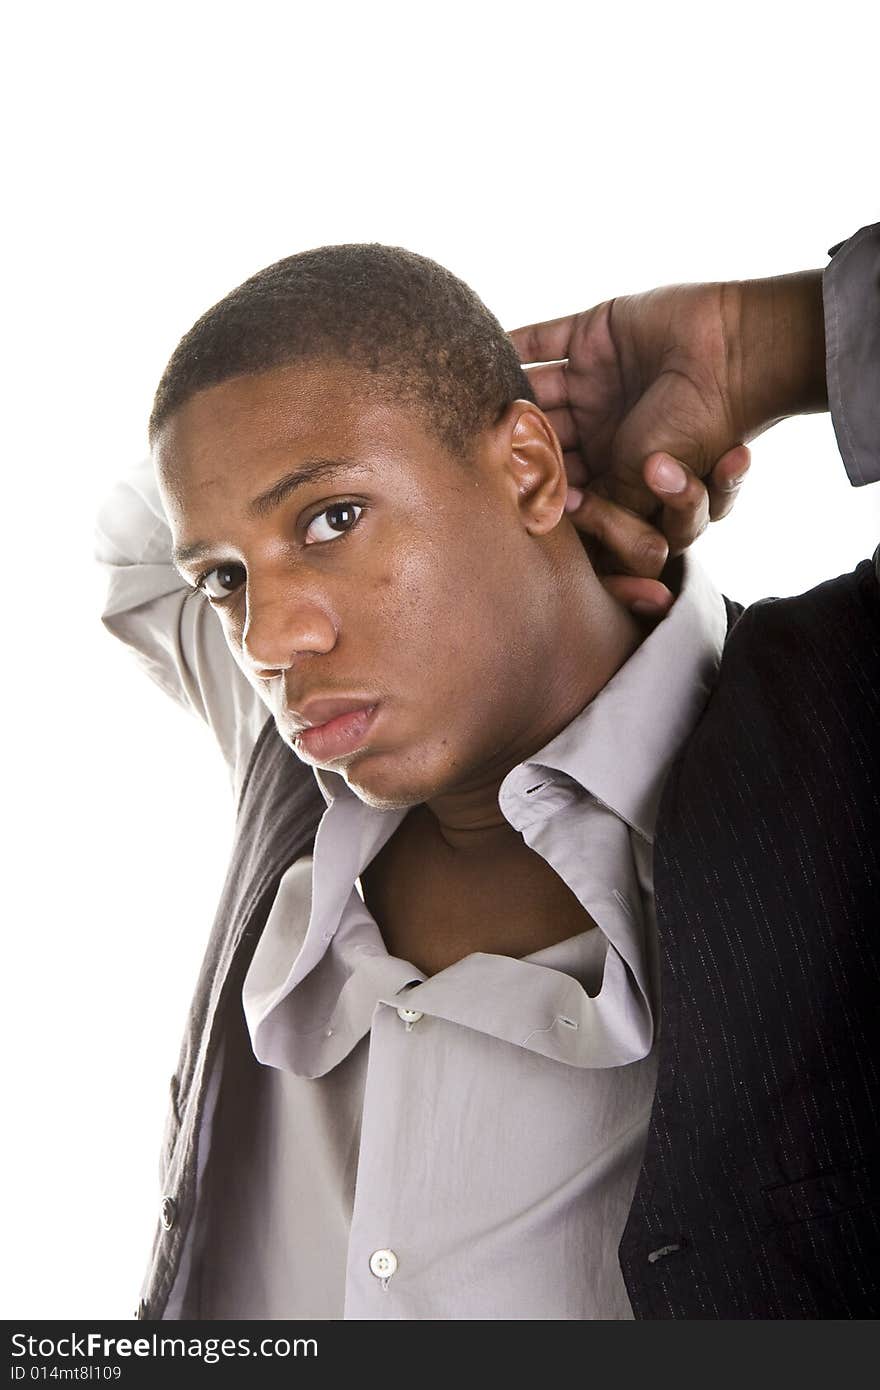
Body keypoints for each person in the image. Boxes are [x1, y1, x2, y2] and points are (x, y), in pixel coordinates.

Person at [95, 227, 879, 1321]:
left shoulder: (846, 726)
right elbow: (138, 531)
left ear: (528, 465)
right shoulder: (300, 751)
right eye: (227, 579)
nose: (269, 638)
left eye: (330, 518)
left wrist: (763, 342)